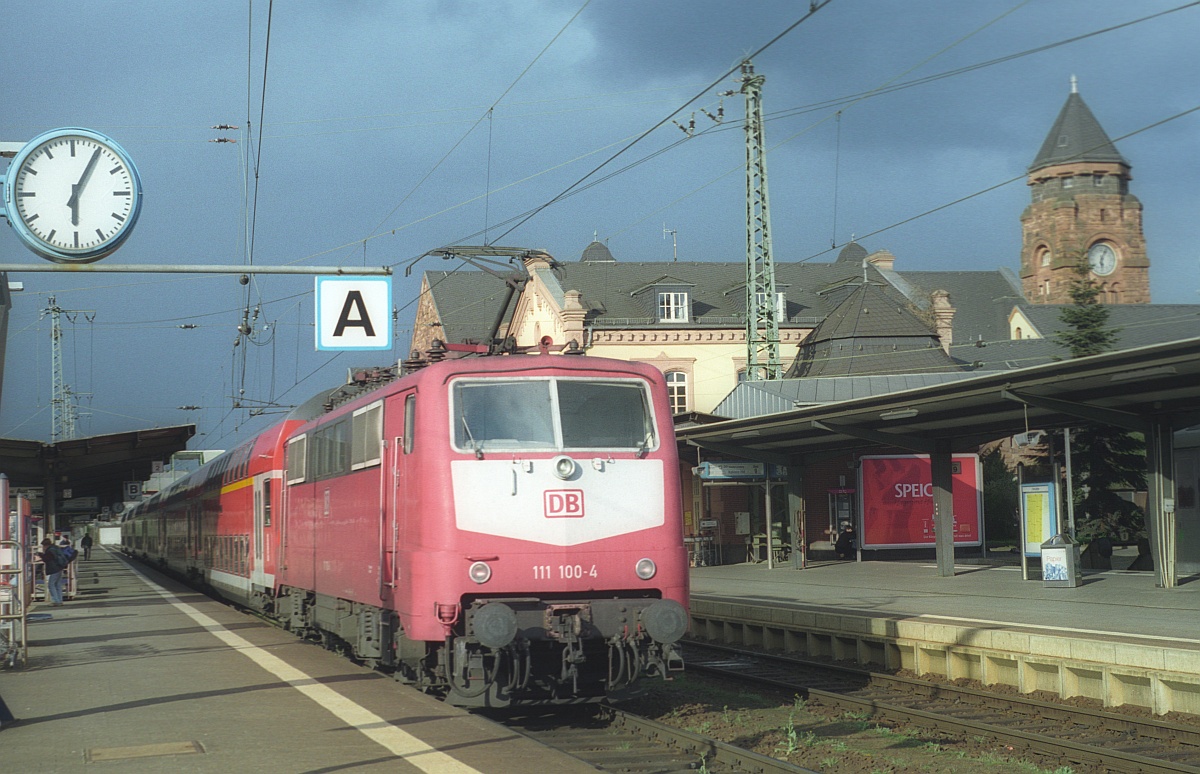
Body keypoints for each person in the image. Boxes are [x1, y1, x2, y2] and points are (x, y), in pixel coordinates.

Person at [38, 537, 67, 606]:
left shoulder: (50, 550)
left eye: (43, 546)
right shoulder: (55, 548)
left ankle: (56, 601)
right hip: (59, 568)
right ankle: (60, 600)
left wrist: (40, 555)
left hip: (55, 569)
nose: (43, 548)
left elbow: (47, 559)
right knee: (58, 585)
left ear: (45, 545)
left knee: (51, 585)